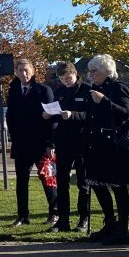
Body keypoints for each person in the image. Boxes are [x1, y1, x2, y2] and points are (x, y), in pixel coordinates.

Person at [84, 53, 129, 244]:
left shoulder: (119, 87)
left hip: (116, 147)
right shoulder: (94, 89)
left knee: (118, 187)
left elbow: (126, 114)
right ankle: (109, 222)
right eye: (90, 71)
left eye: (94, 71)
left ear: (106, 71)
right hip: (97, 146)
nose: (90, 75)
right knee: (98, 184)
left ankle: (123, 228)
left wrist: (104, 101)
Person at [6, 58, 58, 226]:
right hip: (21, 144)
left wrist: (51, 143)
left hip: (41, 144)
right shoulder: (13, 91)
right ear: (16, 72)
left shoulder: (44, 90)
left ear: (33, 71)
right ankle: (22, 216)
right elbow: (10, 116)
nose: (24, 73)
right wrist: (14, 138)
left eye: (26, 70)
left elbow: (53, 118)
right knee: (21, 181)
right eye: (20, 70)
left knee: (47, 178)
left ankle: (54, 213)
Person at [43, 61, 90, 232]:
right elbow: (57, 115)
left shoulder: (87, 90)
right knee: (62, 182)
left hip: (82, 142)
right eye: (62, 79)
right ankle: (63, 220)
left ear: (75, 73)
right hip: (63, 142)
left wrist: (73, 115)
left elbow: (91, 115)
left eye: (68, 78)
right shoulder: (60, 92)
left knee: (83, 183)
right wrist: (49, 115)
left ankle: (84, 219)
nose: (66, 81)